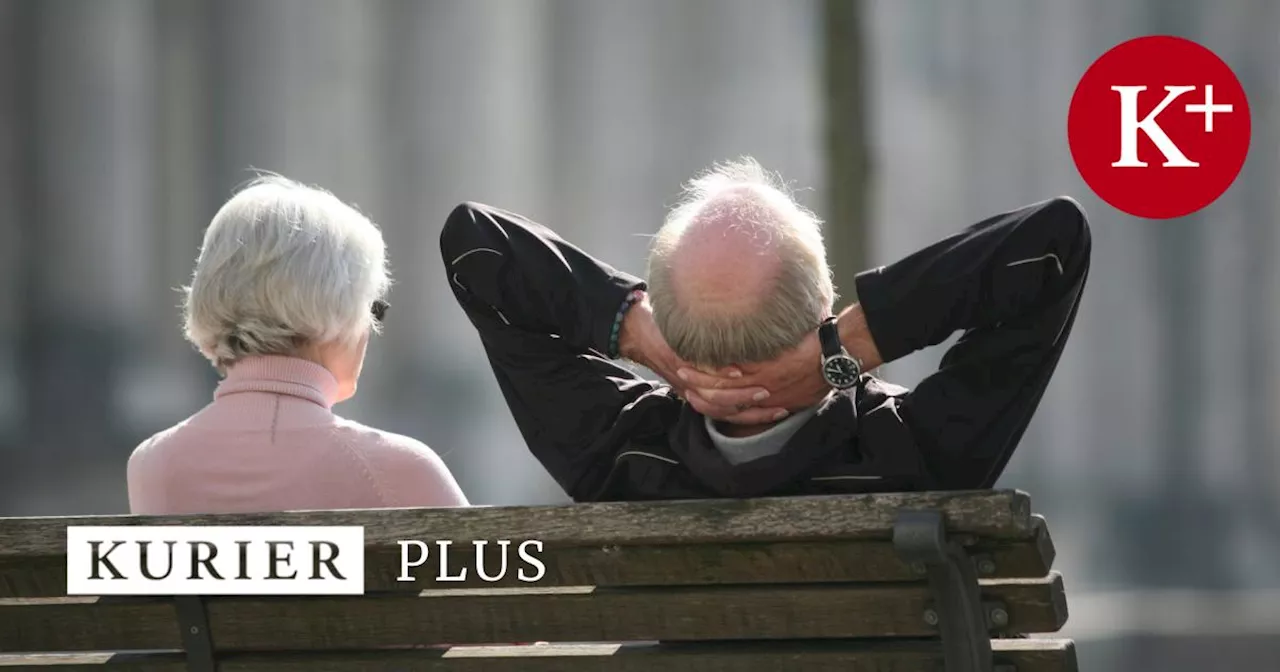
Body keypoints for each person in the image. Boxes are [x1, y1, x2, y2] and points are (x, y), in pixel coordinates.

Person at [440, 158, 1090, 501]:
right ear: (824, 300)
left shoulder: (615, 457)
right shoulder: (918, 452)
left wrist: (638, 336)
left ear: (674, 324)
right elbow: (1053, 245)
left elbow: (478, 250)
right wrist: (846, 351)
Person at [127, 175, 469, 514]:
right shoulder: (399, 468)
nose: (372, 329)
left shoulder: (152, 463)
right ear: (340, 306)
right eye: (373, 309)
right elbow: (492, 568)